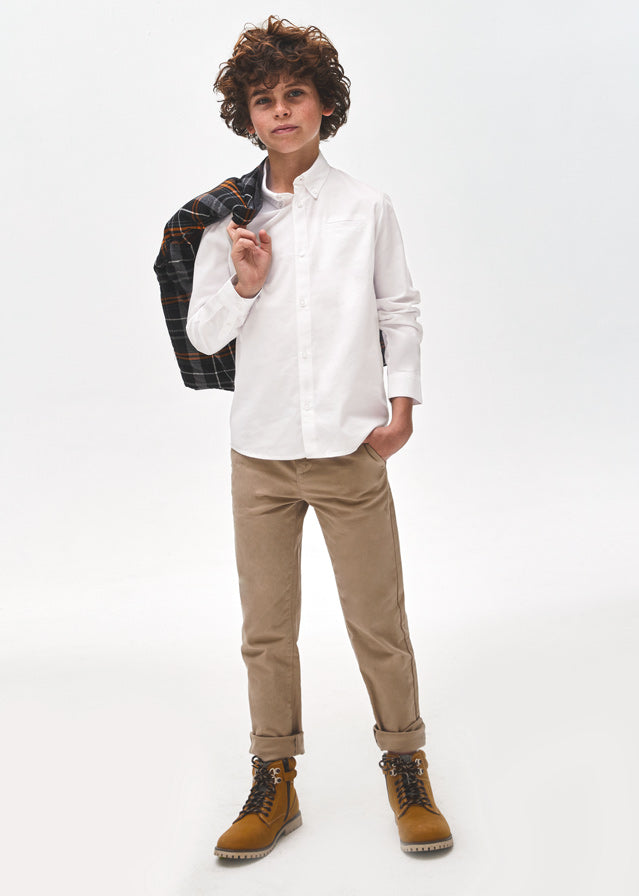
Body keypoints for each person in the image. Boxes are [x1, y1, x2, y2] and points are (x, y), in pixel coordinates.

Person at [182, 15, 453, 859]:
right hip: (259, 457)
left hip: (348, 450)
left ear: (324, 104)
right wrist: (246, 284)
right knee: (265, 631)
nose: (281, 111)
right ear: (247, 115)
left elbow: (398, 309)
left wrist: (402, 403)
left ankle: (406, 764)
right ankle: (275, 779)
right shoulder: (229, 220)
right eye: (264, 100)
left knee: (379, 621)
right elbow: (203, 335)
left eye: (294, 94)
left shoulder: (367, 207)